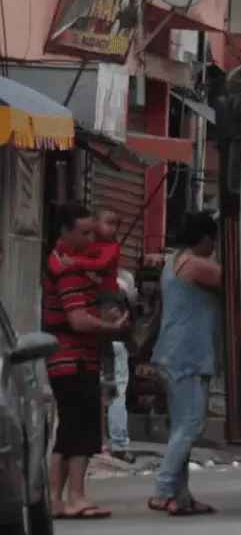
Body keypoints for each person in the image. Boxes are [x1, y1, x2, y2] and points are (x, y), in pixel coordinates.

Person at [43, 203, 128, 520]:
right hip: (74, 358)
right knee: (80, 432)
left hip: (68, 359)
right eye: (85, 232)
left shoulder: (64, 263)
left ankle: (55, 498)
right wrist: (111, 327)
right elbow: (78, 320)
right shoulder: (68, 270)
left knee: (68, 431)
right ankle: (75, 496)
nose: (91, 238)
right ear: (64, 233)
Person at [148, 213, 221, 517]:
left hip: (172, 353)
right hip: (187, 356)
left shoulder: (174, 260)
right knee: (191, 425)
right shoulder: (196, 265)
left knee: (181, 427)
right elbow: (234, 280)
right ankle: (163, 490)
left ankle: (181, 497)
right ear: (205, 239)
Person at [107, 269, 138, 463]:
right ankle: (118, 443)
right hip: (116, 343)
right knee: (117, 393)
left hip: (93, 344)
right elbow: (130, 313)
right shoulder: (123, 282)